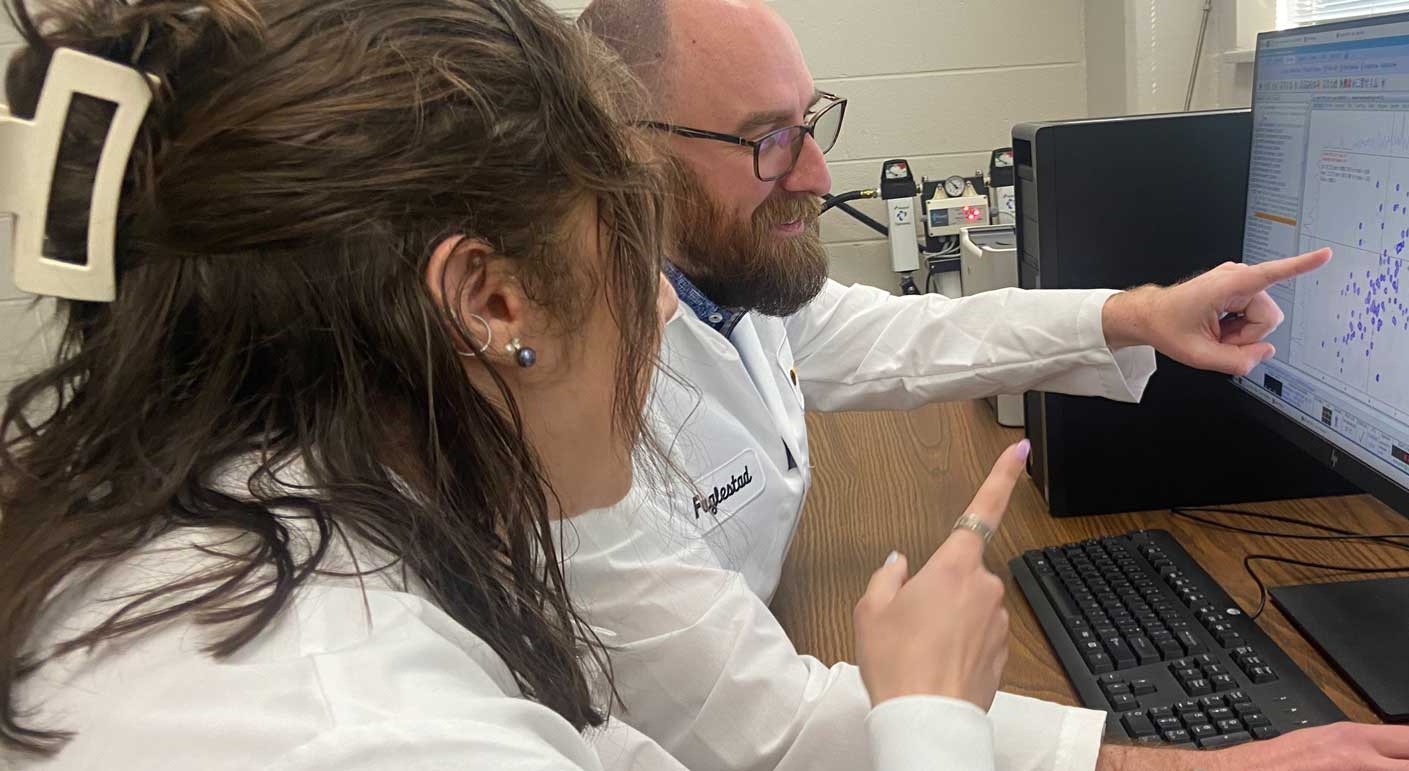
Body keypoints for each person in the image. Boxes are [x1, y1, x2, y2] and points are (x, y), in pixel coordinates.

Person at [0, 1, 1027, 768]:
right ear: (489, 302)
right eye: (628, 250)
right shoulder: (362, 730)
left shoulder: (320, 499)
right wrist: (930, 721)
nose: (661, 306)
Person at [571, 1, 1409, 770]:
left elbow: (907, 333)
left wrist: (1141, 313)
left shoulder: (723, 287)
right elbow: (782, 730)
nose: (817, 174)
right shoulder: (568, 427)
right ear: (623, 154)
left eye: (810, 123)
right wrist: (1215, 763)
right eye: (768, 140)